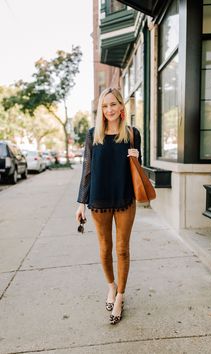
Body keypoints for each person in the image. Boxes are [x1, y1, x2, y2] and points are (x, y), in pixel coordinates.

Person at [75, 87, 141, 325]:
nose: (109, 109)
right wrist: (81, 203)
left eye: (113, 104)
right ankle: (111, 286)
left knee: (122, 249)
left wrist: (136, 155)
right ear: (100, 110)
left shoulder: (133, 133)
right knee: (105, 248)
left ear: (121, 106)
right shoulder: (93, 134)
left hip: (124, 197)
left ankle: (121, 296)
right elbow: (87, 170)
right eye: (105, 106)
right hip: (99, 198)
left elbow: (137, 169)